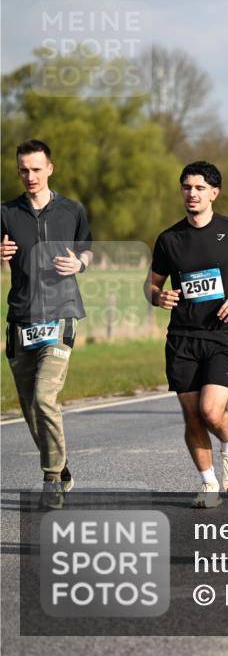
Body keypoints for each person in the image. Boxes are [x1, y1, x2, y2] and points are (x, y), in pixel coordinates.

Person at [147, 161, 228, 508]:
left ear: (214, 193)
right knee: (191, 415)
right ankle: (208, 484)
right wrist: (159, 297)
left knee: (211, 411)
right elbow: (152, 285)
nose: (192, 193)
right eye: (187, 187)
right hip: (183, 336)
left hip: (225, 333)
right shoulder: (169, 239)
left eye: (200, 188)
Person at [1, 139, 92, 509]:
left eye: (36, 169)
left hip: (61, 313)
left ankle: (51, 478)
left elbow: (87, 247)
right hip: (21, 318)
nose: (30, 176)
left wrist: (80, 264)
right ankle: (61, 464)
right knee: (30, 410)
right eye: (23, 170)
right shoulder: (5, 213)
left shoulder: (72, 210)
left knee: (44, 397)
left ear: (50, 169)